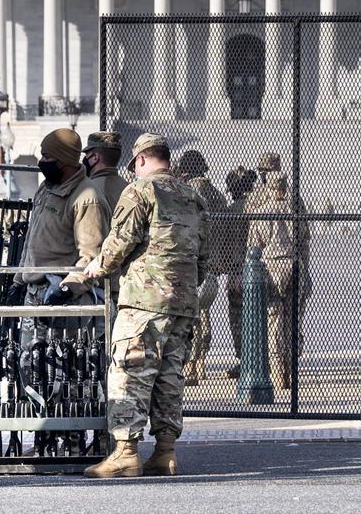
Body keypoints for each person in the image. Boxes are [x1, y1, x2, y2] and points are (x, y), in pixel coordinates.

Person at [82, 134, 211, 479]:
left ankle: (125, 453)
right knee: (170, 377)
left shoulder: (139, 191)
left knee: (130, 371)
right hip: (183, 301)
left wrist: (97, 268)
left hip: (144, 300)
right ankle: (165, 452)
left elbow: (121, 240)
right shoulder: (193, 197)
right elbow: (204, 256)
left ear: (140, 161)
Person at [14, 128, 110, 333]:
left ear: (63, 161)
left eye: (47, 156)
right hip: (33, 294)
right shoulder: (46, 188)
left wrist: (67, 288)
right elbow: (32, 238)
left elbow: (92, 256)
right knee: (27, 361)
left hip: (61, 299)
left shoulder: (87, 198)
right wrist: (18, 280)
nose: (42, 161)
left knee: (56, 364)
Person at [246, 172, 310, 391]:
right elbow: (304, 244)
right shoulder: (296, 212)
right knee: (293, 320)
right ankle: (291, 368)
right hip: (294, 264)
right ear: (285, 188)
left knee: (274, 321)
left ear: (269, 189)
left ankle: (278, 371)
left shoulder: (260, 213)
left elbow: (253, 248)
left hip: (271, 267)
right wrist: (306, 272)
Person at [174, 150, 226, 383]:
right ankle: (201, 362)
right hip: (212, 260)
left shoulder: (189, 193)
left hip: (193, 259)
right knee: (204, 315)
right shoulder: (217, 194)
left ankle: (193, 366)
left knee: (192, 317)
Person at [221, 166, 257, 380]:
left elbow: (233, 245)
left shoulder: (235, 208)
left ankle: (246, 361)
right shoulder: (258, 204)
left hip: (239, 268)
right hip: (259, 268)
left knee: (238, 318)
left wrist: (233, 271)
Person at [81, 131, 128, 213]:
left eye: (87, 155)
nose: (85, 158)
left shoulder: (89, 189)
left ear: (95, 157)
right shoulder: (127, 187)